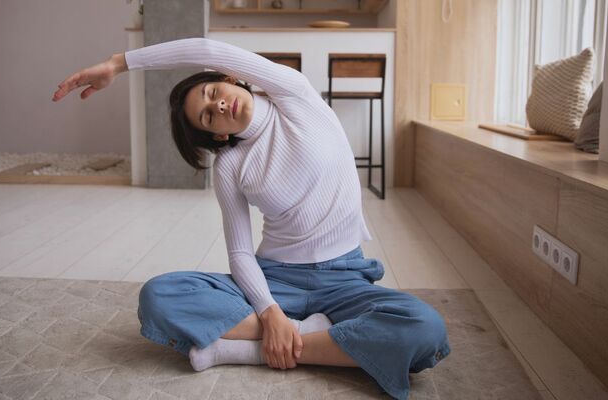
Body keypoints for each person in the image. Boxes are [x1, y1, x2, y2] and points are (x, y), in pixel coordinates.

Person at [52, 37, 450, 399]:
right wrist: (269, 310)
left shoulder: (294, 95)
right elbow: (241, 253)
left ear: (229, 79)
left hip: (344, 280)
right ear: (218, 136)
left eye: (212, 93)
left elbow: (206, 49)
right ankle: (317, 338)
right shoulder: (230, 165)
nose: (219, 106)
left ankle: (247, 350)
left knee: (425, 329)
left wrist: (118, 63)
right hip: (276, 280)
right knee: (159, 296)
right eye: (208, 117)